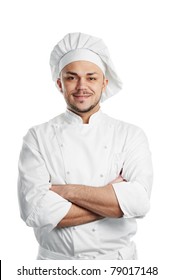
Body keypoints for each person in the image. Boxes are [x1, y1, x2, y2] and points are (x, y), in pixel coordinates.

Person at [18, 32, 153, 260]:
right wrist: (114, 201)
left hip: (117, 265)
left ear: (104, 83)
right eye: (72, 77)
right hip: (56, 265)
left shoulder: (130, 135)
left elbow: (139, 202)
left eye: (91, 78)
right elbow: (35, 212)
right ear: (60, 84)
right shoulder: (37, 137)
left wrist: (65, 191)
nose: (82, 86)